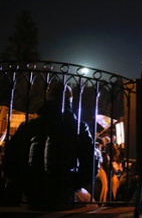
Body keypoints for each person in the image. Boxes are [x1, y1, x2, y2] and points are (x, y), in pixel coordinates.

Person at [3, 83, 98, 211]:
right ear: (70, 100)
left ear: (48, 98)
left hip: (32, 193)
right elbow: (91, 162)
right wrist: (74, 184)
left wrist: (22, 183)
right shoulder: (78, 127)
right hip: (64, 193)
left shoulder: (29, 126)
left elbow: (10, 159)